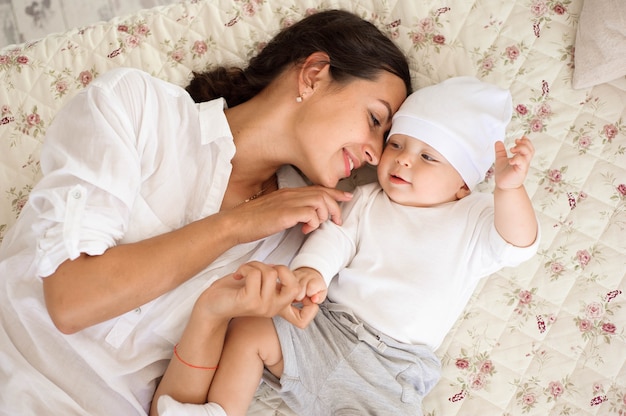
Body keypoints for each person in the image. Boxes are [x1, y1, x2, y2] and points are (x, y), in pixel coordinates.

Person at [0, 9, 412, 415]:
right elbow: (71, 301)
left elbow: (171, 409)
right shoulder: (137, 109)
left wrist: (210, 314)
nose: (376, 154)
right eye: (375, 119)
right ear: (314, 73)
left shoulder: (299, 244)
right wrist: (234, 226)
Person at [154, 76, 541, 416]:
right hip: (326, 328)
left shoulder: (474, 218)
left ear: (463, 183)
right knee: (249, 331)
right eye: (398, 145)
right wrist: (311, 271)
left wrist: (510, 190)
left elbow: (517, 242)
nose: (404, 161)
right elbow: (335, 238)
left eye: (427, 157)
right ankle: (219, 411)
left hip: (392, 367)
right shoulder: (367, 199)